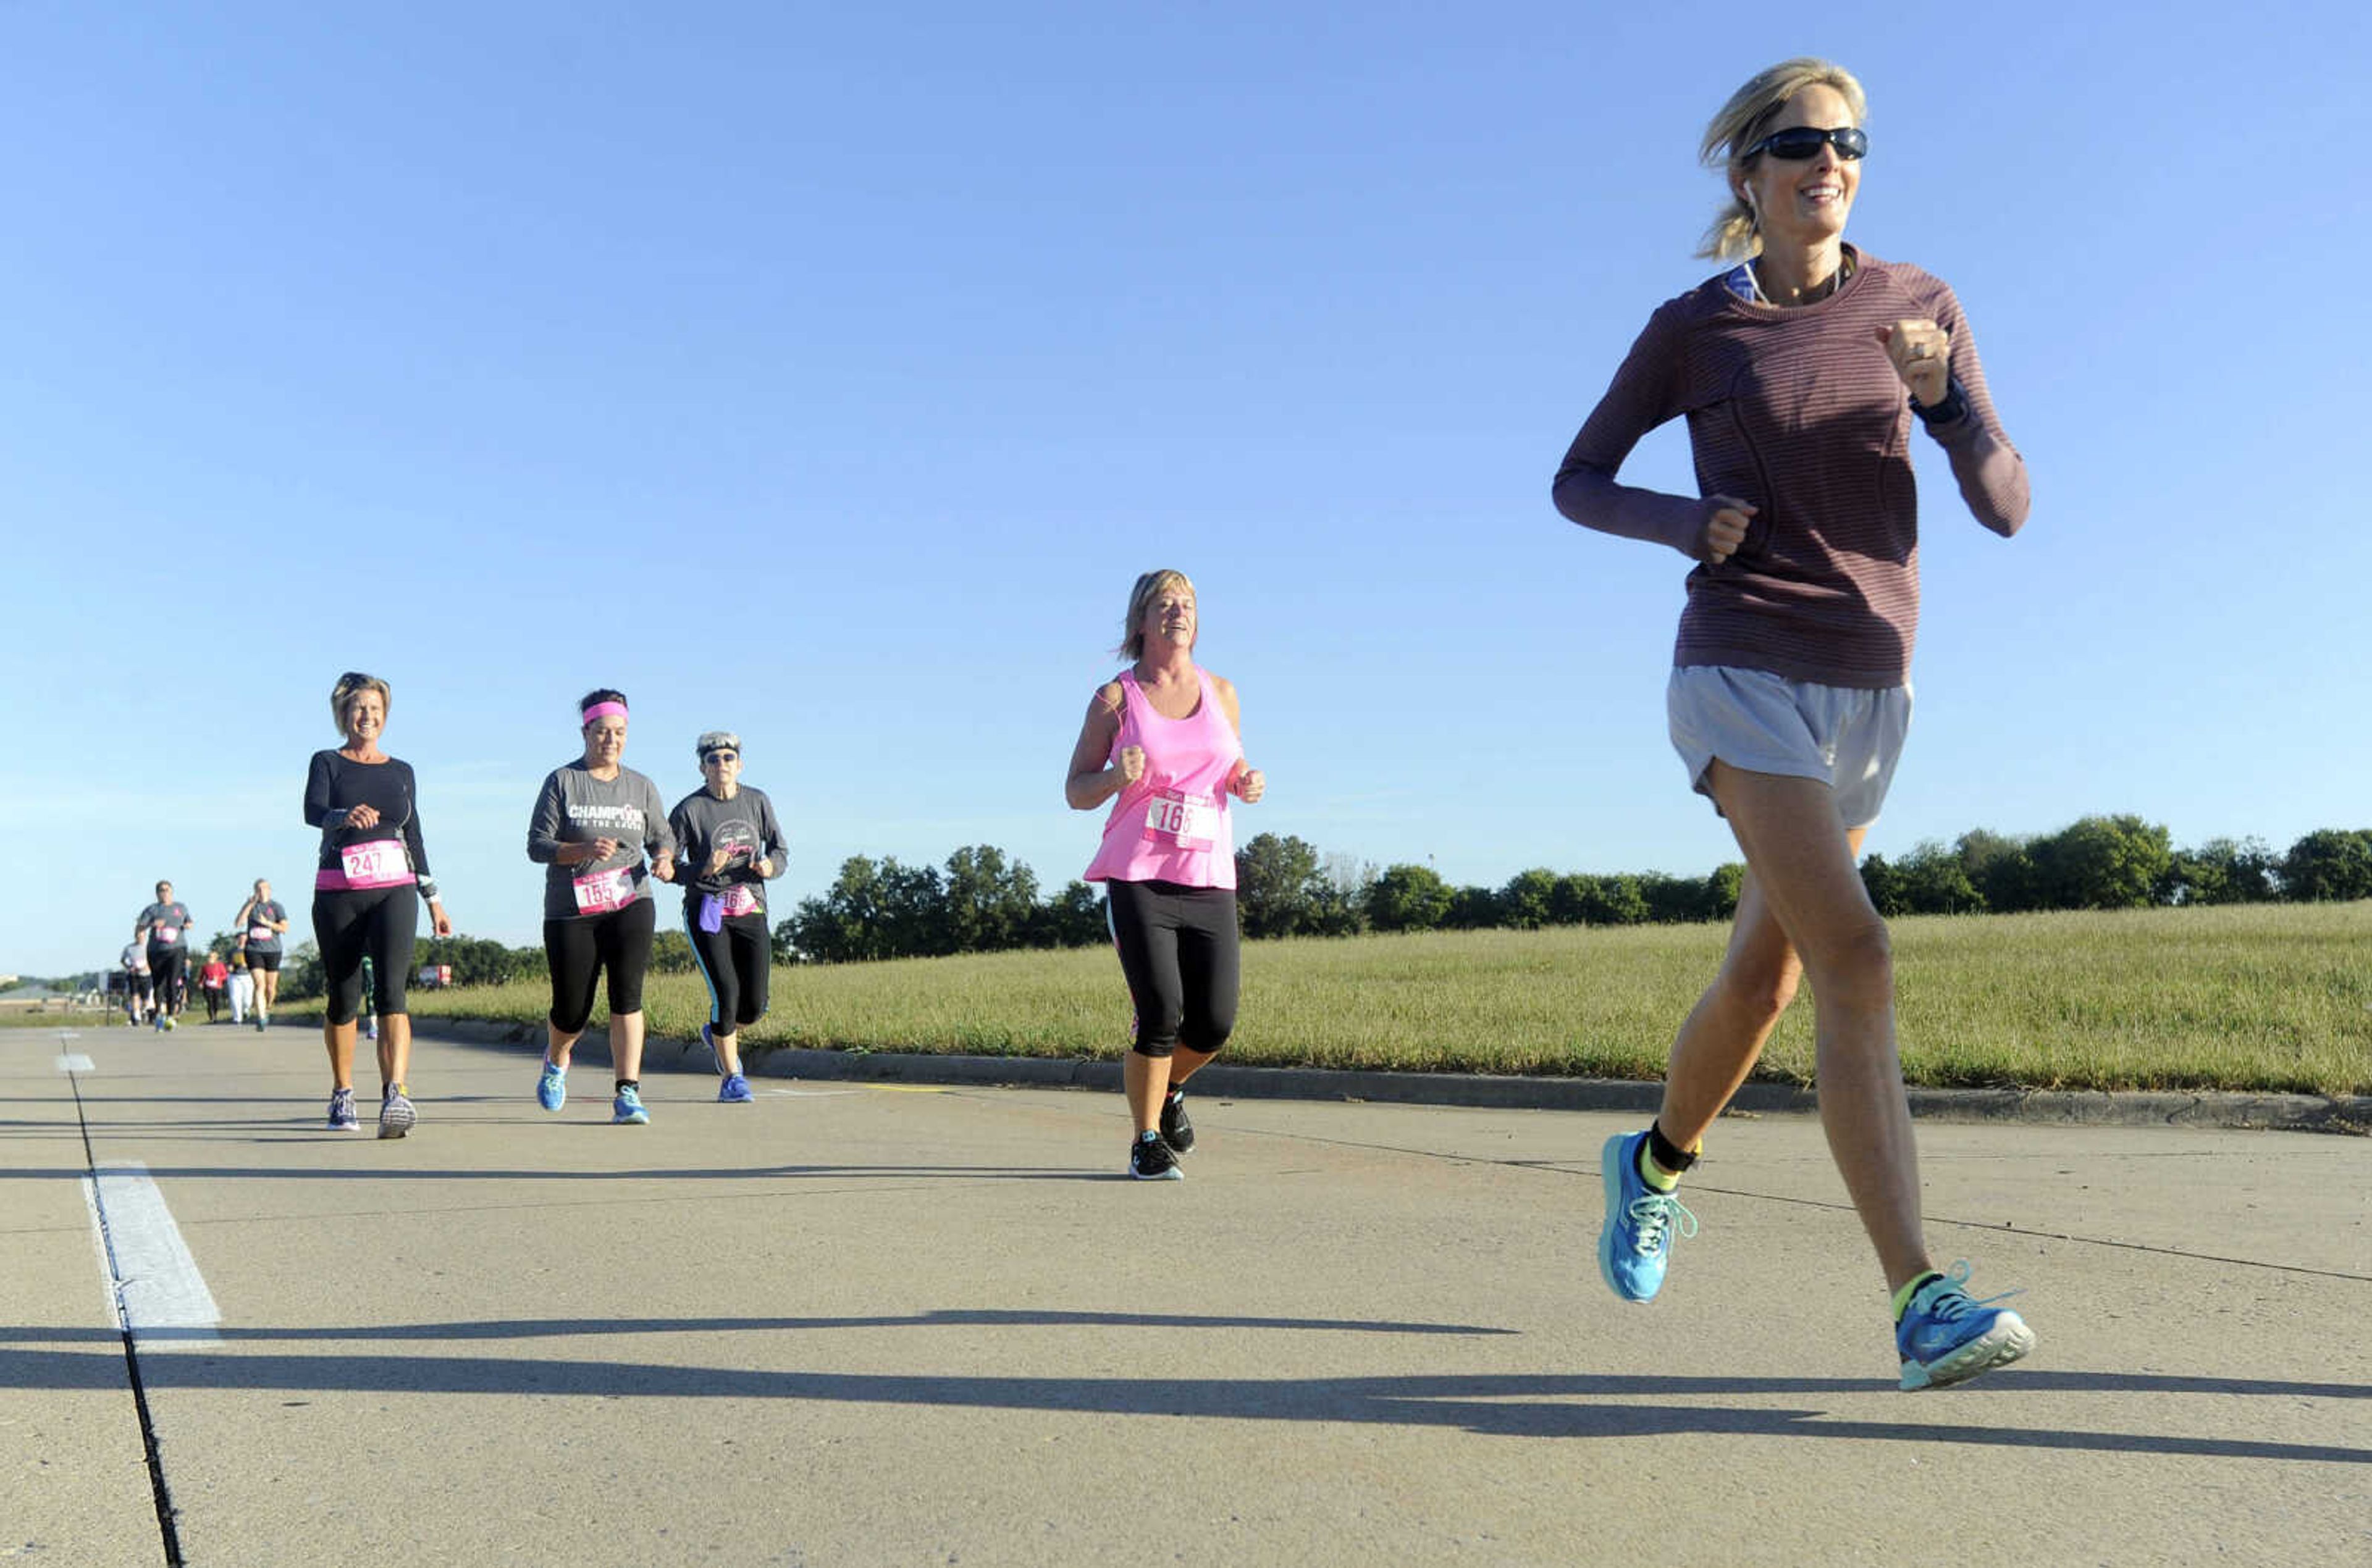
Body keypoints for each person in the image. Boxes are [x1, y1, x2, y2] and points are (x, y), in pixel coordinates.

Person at [1552, 59, 2034, 1390]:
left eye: (1851, 140)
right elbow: (1578, 477)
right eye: (1801, 142)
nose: (1831, 160)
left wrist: (1944, 402)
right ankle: (1919, 1299)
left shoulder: (1920, 304)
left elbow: (2007, 502)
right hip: (1739, 664)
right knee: (1858, 958)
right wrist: (1676, 522)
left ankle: (1650, 1162)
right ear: (1748, 176)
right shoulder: (1695, 329)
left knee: (1770, 975)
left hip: (1872, 681)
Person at [1064, 569, 1266, 1180]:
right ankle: (1146, 1139)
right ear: (1142, 622)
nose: (1178, 611)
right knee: (1160, 1013)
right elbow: (1076, 790)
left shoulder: (1223, 692)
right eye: (1164, 603)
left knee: (1214, 1021)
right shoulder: (1115, 698)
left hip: (1209, 876)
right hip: (1139, 876)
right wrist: (1114, 778)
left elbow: (1228, 764)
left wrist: (1244, 780)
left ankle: (1169, 1087)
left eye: (1188, 603)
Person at [305, 671, 453, 1137]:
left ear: (385, 716)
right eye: (358, 708)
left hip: (395, 887)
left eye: (375, 708)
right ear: (343, 715)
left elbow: (415, 835)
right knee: (344, 994)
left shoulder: (401, 771)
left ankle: (396, 1093)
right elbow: (312, 810)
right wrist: (342, 816)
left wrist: (434, 900)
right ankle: (343, 1092)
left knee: (393, 991)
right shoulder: (327, 762)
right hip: (340, 891)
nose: (367, 716)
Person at [528, 690, 677, 1125]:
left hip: (631, 899)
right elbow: (537, 845)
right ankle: (557, 1060)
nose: (610, 740)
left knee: (627, 995)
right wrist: (581, 849)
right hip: (572, 907)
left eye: (619, 732)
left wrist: (665, 857)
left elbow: (662, 836)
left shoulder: (642, 786)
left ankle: (627, 1091)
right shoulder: (562, 781)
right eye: (602, 732)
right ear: (586, 732)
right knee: (572, 1009)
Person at [668, 730, 788, 1105]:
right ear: (702, 767)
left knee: (753, 1006)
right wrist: (703, 868)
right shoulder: (689, 810)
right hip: (708, 910)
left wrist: (771, 866)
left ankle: (717, 1031)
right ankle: (732, 1077)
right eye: (713, 760)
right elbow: (668, 867)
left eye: (728, 758)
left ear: (740, 764)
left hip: (750, 906)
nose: (721, 765)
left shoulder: (757, 801)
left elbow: (780, 848)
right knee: (726, 993)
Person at [132, 881, 193, 1031]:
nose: (165, 892)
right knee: (158, 983)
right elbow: (139, 927)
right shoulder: (151, 910)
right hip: (157, 951)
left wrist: (187, 926)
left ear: (172, 892)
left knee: (172, 983)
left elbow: (189, 922)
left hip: (177, 949)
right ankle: (159, 1013)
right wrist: (152, 924)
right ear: (157, 893)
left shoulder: (180, 907)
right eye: (161, 890)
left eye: (167, 890)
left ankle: (171, 1016)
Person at [233, 878, 292, 1031]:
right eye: (258, 888)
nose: (261, 891)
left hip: (273, 950)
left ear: (269, 890)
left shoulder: (276, 907)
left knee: (270, 989)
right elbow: (238, 923)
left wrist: (267, 923)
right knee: (260, 984)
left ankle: (267, 1009)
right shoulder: (252, 907)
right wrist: (249, 904)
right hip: (254, 950)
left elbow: (284, 928)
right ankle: (260, 1018)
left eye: (265, 888)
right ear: (255, 891)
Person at [119, 942, 153, 1027]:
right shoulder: (129, 948)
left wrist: (148, 966)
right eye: (138, 935)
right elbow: (122, 960)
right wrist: (129, 967)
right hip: (133, 976)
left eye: (141, 935)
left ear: (144, 936)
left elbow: (154, 959)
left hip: (146, 975)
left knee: (146, 1001)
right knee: (135, 996)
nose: (139, 937)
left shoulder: (148, 947)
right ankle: (137, 1018)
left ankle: (141, 1012)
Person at [199, 952, 229, 1023]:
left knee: (216, 1003)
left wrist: (218, 978)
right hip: (208, 987)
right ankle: (211, 1017)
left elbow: (225, 976)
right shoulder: (205, 966)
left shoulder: (220, 965)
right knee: (210, 1002)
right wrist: (200, 983)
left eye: (211, 957)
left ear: (216, 958)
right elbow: (201, 976)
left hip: (217, 987)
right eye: (209, 957)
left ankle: (215, 1016)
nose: (209, 958)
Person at [228, 954, 254, 1026]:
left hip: (247, 976)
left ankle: (246, 1009)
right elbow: (229, 964)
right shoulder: (232, 951)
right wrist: (230, 967)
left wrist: (248, 965)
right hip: (234, 976)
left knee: (247, 1000)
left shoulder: (251, 950)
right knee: (235, 997)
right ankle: (237, 1019)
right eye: (237, 941)